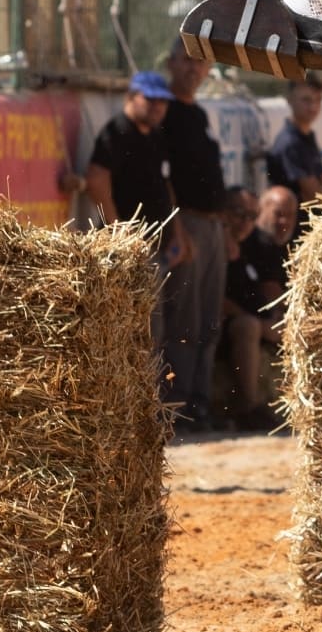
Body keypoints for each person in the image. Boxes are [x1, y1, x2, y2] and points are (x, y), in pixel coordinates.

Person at [84, 70, 175, 395]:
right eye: (150, 99)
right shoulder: (116, 132)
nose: (157, 107)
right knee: (138, 326)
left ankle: (149, 396)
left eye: (162, 102)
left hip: (155, 243)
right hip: (129, 248)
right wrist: (118, 231)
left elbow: (165, 185)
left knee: (154, 326)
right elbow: (96, 180)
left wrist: (177, 232)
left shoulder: (154, 135)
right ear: (131, 97)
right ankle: (136, 397)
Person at [156, 50, 231, 430]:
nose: (193, 69)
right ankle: (178, 405)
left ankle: (201, 404)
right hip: (186, 226)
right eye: (186, 60)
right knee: (183, 321)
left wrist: (225, 229)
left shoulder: (199, 114)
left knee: (208, 320)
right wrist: (177, 231)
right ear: (170, 63)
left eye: (200, 62)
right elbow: (164, 178)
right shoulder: (164, 112)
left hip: (213, 226)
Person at [222, 185, 297, 428]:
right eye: (239, 214)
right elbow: (213, 299)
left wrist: (276, 318)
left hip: (257, 320)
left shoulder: (260, 244)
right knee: (249, 326)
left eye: (251, 217)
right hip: (223, 324)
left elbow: (272, 294)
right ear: (224, 214)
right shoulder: (215, 245)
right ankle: (248, 405)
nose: (245, 222)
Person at [265, 77, 322, 216]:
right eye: (306, 100)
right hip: (293, 227)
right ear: (290, 100)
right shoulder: (290, 142)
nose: (313, 106)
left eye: (318, 100)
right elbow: (314, 196)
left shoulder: (306, 136)